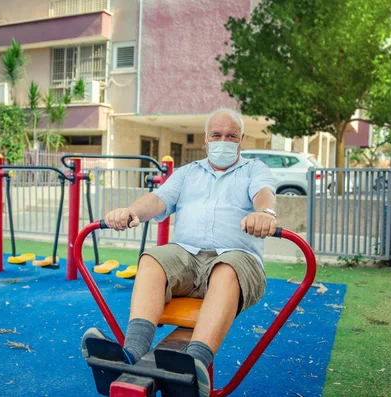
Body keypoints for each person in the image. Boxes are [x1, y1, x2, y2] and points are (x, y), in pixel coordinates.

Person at [81, 108, 278, 396]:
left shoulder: (254, 169)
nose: (224, 140)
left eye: (231, 136)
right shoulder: (187, 173)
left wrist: (265, 213)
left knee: (227, 269)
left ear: (241, 139)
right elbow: (158, 199)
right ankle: (131, 353)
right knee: (152, 259)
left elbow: (264, 192)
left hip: (237, 258)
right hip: (187, 257)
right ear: (206, 140)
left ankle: (194, 364)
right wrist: (131, 211)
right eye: (217, 135)